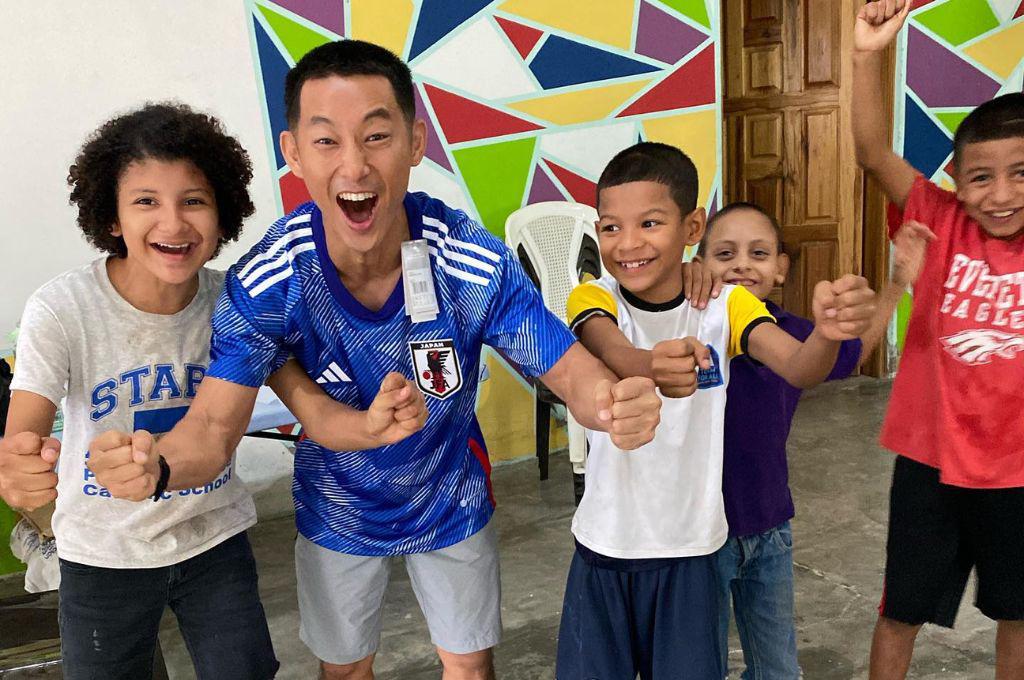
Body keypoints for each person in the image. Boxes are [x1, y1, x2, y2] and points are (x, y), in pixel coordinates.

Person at [86, 40, 662, 680]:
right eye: (326, 141)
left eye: (377, 136)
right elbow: (213, 429)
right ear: (293, 152)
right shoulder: (270, 281)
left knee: (470, 667)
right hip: (336, 508)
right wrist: (157, 464)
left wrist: (613, 403)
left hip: (451, 498)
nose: (354, 165)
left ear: (415, 142)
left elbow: (567, 368)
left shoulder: (469, 261)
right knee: (344, 671)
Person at [557, 142, 877, 679]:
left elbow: (798, 367)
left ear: (692, 226)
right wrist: (652, 366)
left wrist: (826, 332)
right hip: (605, 544)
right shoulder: (593, 295)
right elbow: (607, 346)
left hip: (693, 551)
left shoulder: (726, 307)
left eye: (650, 223)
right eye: (611, 228)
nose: (628, 243)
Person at [0, 103, 279, 679]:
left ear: (223, 213)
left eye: (193, 200)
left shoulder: (238, 301)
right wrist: (21, 465)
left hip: (214, 538)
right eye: (146, 201)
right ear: (111, 217)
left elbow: (308, 395)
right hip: (101, 552)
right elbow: (24, 428)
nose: (172, 223)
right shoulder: (62, 307)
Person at [853, 2, 1024, 678]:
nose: (1001, 194)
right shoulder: (938, 218)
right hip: (930, 462)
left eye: (1020, 173)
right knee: (901, 612)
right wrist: (866, 54)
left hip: (1019, 468)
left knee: (1019, 614)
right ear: (957, 181)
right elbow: (872, 153)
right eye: (981, 176)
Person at [699, 202, 865, 678]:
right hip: (699, 536)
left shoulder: (795, 335)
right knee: (698, 664)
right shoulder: (688, 326)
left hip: (769, 526)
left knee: (777, 670)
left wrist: (895, 286)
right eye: (724, 253)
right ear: (699, 265)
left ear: (781, 268)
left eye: (758, 253)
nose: (741, 265)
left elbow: (849, 353)